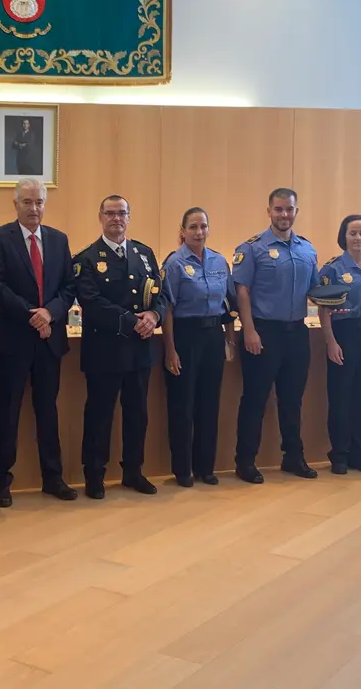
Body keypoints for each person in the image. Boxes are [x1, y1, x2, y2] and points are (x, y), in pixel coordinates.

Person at [0, 177, 79, 506]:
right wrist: (32, 315)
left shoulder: (58, 240)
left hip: (49, 340)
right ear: (15, 204)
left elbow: (68, 287)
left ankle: (53, 478)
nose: (34, 208)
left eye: (39, 202)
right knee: (7, 412)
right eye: (27, 202)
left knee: (47, 412)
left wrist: (49, 314)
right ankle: (0, 481)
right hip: (13, 341)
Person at [72, 195, 168, 498]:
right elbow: (92, 302)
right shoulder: (86, 258)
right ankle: (94, 475)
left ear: (129, 216)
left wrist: (154, 315)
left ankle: (133, 472)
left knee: (137, 413)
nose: (116, 219)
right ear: (100, 217)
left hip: (140, 350)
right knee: (100, 415)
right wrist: (133, 322)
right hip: (105, 351)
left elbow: (161, 295)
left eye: (122, 213)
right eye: (110, 213)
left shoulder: (144, 253)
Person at [231, 187, 320, 483]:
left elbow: (316, 291)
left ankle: (293, 457)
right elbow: (241, 291)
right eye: (279, 209)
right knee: (255, 400)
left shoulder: (307, 249)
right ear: (268, 211)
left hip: (297, 333)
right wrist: (250, 331)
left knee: (292, 400)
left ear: (296, 211)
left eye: (289, 209)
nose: (284, 215)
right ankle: (245, 462)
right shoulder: (252, 248)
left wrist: (339, 302)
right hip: (263, 332)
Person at [161, 208, 237, 486]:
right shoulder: (174, 263)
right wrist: (170, 349)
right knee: (183, 404)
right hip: (185, 336)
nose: (199, 232)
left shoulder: (219, 262)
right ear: (182, 231)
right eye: (193, 227)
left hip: (212, 336)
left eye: (203, 226)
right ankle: (182, 469)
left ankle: (206, 467)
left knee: (209, 403)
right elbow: (167, 309)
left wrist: (230, 339)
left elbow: (228, 304)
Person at [318, 214, 361, 474]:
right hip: (342, 334)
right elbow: (324, 309)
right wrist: (331, 342)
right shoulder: (333, 269)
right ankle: (340, 454)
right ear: (343, 237)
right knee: (341, 397)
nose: (358, 238)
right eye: (353, 233)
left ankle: (360, 453)